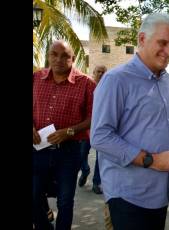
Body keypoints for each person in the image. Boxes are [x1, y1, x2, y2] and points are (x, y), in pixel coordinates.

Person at [90, 13, 169, 230]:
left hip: (161, 193)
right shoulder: (116, 80)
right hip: (128, 196)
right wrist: (152, 160)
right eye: (162, 43)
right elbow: (100, 136)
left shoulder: (167, 81)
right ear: (142, 39)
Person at [33, 40, 96, 230]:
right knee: (34, 195)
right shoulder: (35, 78)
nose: (59, 59)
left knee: (65, 201)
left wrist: (70, 131)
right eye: (54, 54)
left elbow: (94, 117)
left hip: (69, 151)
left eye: (65, 56)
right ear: (48, 55)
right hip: (37, 150)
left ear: (73, 58)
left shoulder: (86, 84)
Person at [90, 65, 107, 194]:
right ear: (93, 73)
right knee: (81, 155)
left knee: (99, 157)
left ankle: (96, 182)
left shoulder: (109, 88)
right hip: (84, 130)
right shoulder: (87, 87)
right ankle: (84, 170)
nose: (101, 74)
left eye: (103, 72)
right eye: (98, 71)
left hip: (100, 129)